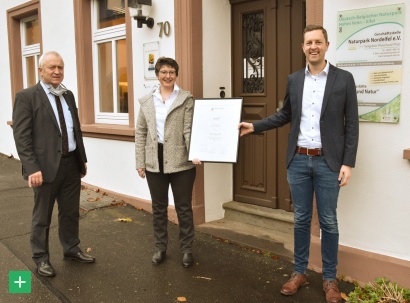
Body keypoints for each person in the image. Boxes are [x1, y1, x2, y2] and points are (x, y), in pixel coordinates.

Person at [239, 25, 359, 303]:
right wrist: (254, 126)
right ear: (302, 47)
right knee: (302, 219)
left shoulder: (344, 79)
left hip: (329, 162)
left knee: (328, 221)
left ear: (327, 45)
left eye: (318, 41)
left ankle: (330, 279)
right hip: (299, 160)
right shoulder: (294, 80)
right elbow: (284, 115)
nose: (313, 46)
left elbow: (351, 124)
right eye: (308, 42)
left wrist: (348, 163)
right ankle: (299, 272)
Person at [12, 51, 95, 277]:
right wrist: (32, 168)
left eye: (60, 67)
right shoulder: (27, 96)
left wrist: (81, 159)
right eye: (51, 68)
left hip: (70, 164)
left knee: (70, 212)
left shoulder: (67, 95)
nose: (57, 71)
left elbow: (74, 129)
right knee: (42, 216)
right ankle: (41, 257)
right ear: (41, 71)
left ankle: (71, 249)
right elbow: (22, 137)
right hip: (45, 167)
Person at [135, 57, 201, 268]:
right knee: (159, 207)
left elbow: (189, 129)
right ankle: (160, 247)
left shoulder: (185, 99)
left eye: (172, 72)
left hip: (181, 160)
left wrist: (195, 152)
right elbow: (141, 132)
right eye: (164, 72)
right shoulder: (147, 101)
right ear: (157, 74)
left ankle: (187, 249)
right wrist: (140, 161)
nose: (168, 76)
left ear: (176, 75)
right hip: (154, 159)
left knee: (183, 208)